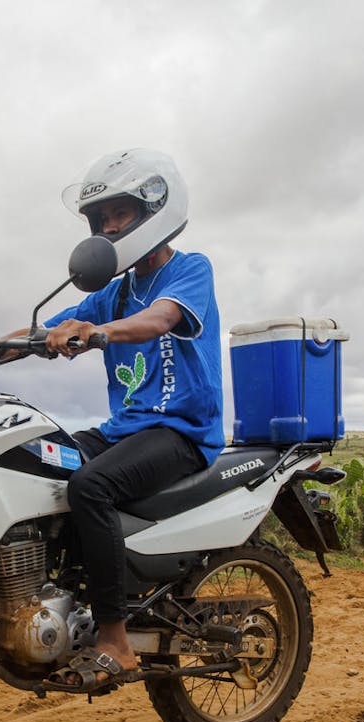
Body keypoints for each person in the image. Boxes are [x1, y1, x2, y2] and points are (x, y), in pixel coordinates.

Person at [40, 149, 225, 693]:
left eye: (121, 214)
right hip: (126, 431)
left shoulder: (189, 270)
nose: (111, 227)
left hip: (181, 432)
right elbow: (42, 329)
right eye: (103, 219)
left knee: (91, 485)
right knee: (39, 459)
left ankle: (116, 641)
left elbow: (161, 318)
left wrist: (96, 332)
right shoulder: (112, 292)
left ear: (156, 208)